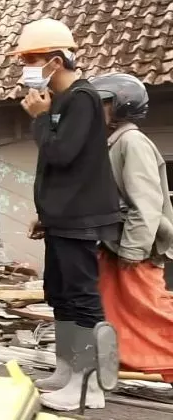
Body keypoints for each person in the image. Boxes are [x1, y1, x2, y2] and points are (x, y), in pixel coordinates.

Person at [13, 18, 121, 411]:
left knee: (81, 297)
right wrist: (48, 214)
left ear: (55, 60)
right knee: (59, 294)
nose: (24, 67)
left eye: (30, 59)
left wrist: (40, 118)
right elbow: (62, 168)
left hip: (81, 219)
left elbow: (61, 153)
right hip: (63, 218)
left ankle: (88, 384)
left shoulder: (81, 98)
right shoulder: (61, 102)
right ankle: (66, 369)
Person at [90, 73, 173, 383]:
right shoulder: (114, 142)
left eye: (103, 104)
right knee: (120, 313)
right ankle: (138, 367)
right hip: (116, 245)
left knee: (149, 310)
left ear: (122, 106)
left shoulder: (131, 142)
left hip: (134, 248)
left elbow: (146, 203)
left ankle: (163, 363)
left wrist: (133, 249)